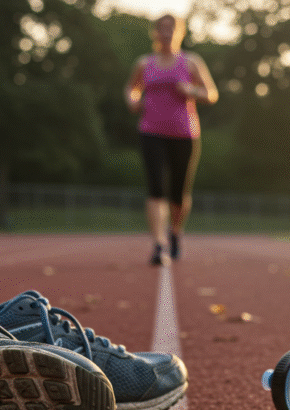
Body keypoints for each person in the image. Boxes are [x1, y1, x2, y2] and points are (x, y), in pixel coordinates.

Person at [125, 14, 218, 265]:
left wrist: (192, 90)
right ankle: (158, 244)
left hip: (185, 133)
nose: (166, 32)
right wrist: (133, 100)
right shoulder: (144, 63)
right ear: (155, 32)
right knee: (156, 189)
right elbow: (131, 88)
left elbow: (211, 94)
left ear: (180, 32)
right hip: (151, 131)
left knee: (178, 192)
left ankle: (175, 232)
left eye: (171, 28)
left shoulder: (191, 62)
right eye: (162, 28)